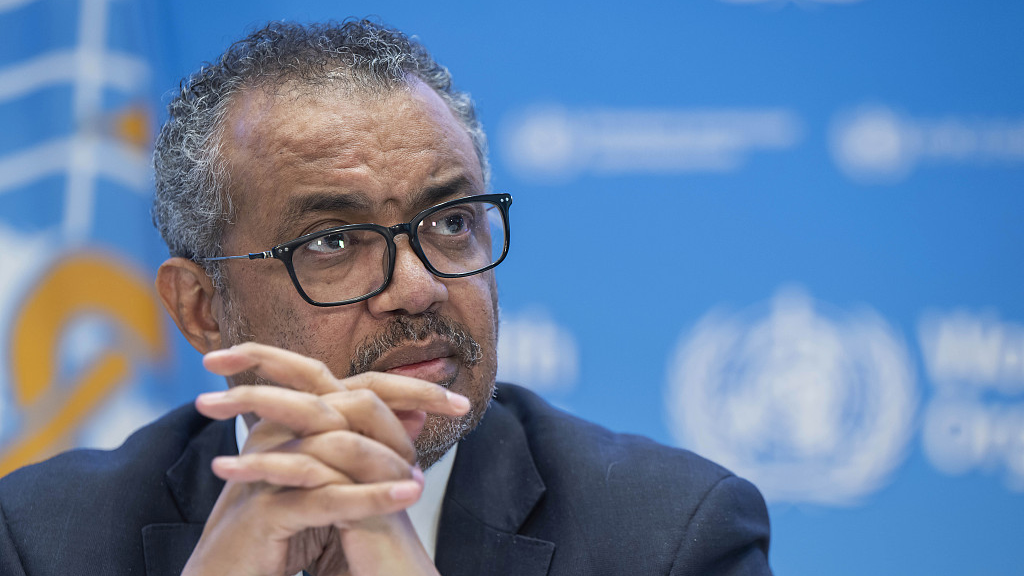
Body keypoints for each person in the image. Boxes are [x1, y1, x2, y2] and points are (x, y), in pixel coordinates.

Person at [0, 19, 771, 576]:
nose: (420, 286)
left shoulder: (672, 535)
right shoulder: (43, 539)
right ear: (204, 309)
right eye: (333, 242)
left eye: (450, 221)